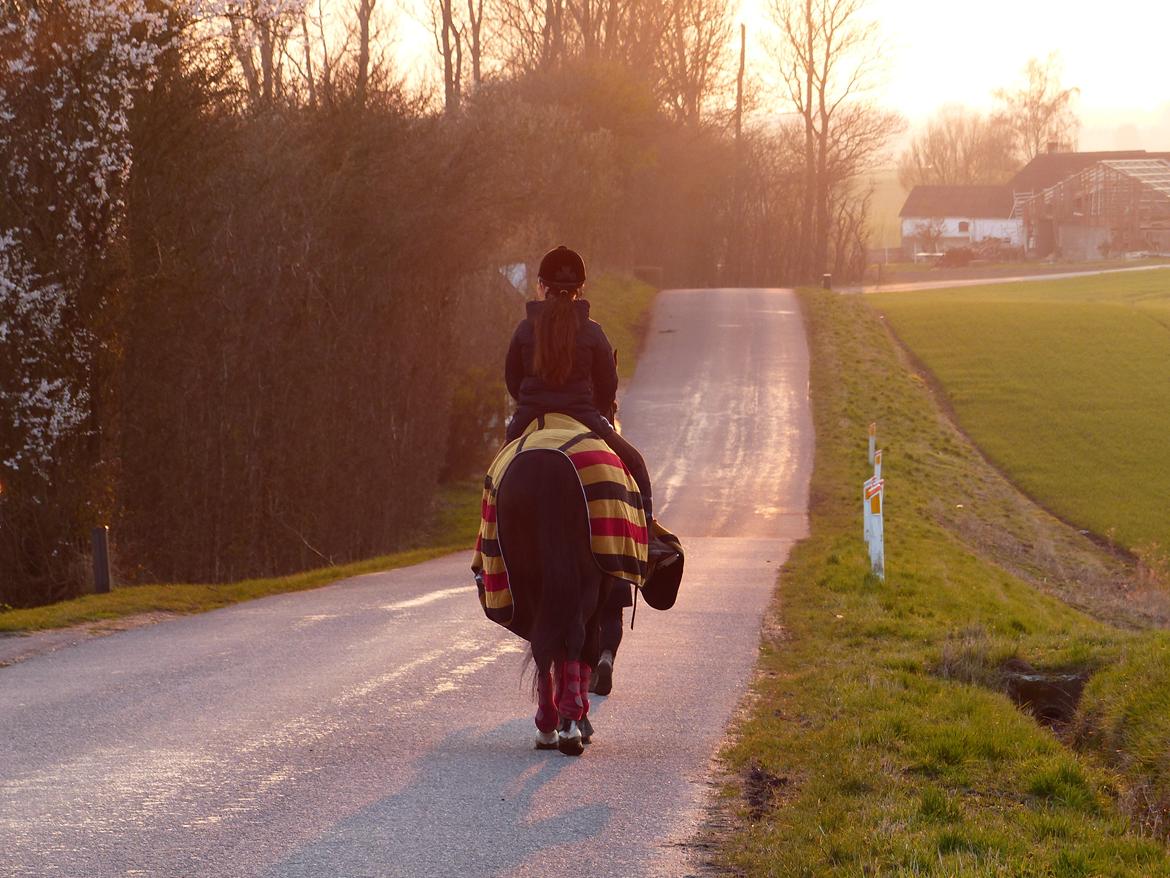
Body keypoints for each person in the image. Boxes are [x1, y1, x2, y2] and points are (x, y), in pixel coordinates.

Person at [504, 245, 655, 521]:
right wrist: (594, 409)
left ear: (541, 286)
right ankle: (649, 538)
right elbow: (607, 386)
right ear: (580, 289)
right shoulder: (592, 331)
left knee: (495, 477)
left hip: (529, 416)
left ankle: (487, 550)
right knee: (636, 465)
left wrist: (531, 401)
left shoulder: (525, 329)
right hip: (584, 416)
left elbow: (512, 380)